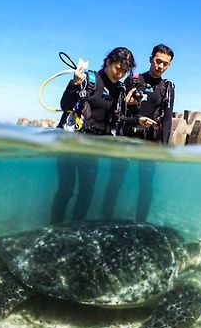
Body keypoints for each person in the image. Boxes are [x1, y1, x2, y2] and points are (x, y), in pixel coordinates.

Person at [51, 47, 136, 224]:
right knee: (66, 189)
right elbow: (65, 104)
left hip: (94, 146)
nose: (120, 74)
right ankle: (53, 228)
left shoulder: (119, 91)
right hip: (70, 143)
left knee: (87, 191)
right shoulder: (89, 80)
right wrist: (74, 83)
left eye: (124, 72)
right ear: (108, 62)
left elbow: (118, 120)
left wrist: (136, 118)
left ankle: (75, 229)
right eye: (118, 68)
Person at [101, 44, 175, 222]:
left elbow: (167, 119)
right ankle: (105, 220)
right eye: (158, 61)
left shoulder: (167, 87)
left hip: (149, 143)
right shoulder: (133, 80)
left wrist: (163, 148)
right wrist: (129, 104)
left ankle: (140, 223)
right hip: (126, 138)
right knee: (115, 181)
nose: (161, 66)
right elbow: (117, 111)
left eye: (165, 64)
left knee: (146, 186)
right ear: (151, 59)